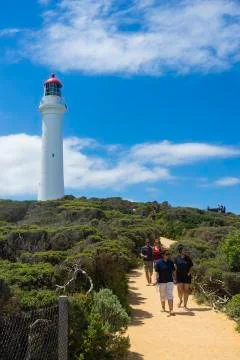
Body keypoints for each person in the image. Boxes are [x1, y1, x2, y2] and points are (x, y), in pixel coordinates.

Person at [155, 250, 176, 316]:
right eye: (166, 254)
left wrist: (175, 278)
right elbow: (157, 272)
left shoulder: (171, 262)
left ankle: (171, 309)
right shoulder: (158, 263)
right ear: (163, 255)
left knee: (170, 294)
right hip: (161, 281)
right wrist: (156, 279)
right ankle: (163, 307)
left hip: (170, 281)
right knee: (162, 295)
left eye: (168, 254)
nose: (168, 255)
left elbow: (173, 271)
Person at [174, 244, 193, 309]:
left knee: (186, 291)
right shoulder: (176, 258)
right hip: (179, 276)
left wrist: (189, 272)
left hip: (187, 276)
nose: (185, 251)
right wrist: (174, 277)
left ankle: (185, 305)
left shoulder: (188, 258)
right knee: (180, 290)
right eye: (183, 250)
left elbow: (191, 266)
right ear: (180, 251)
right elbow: (175, 268)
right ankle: (180, 300)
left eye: (185, 250)